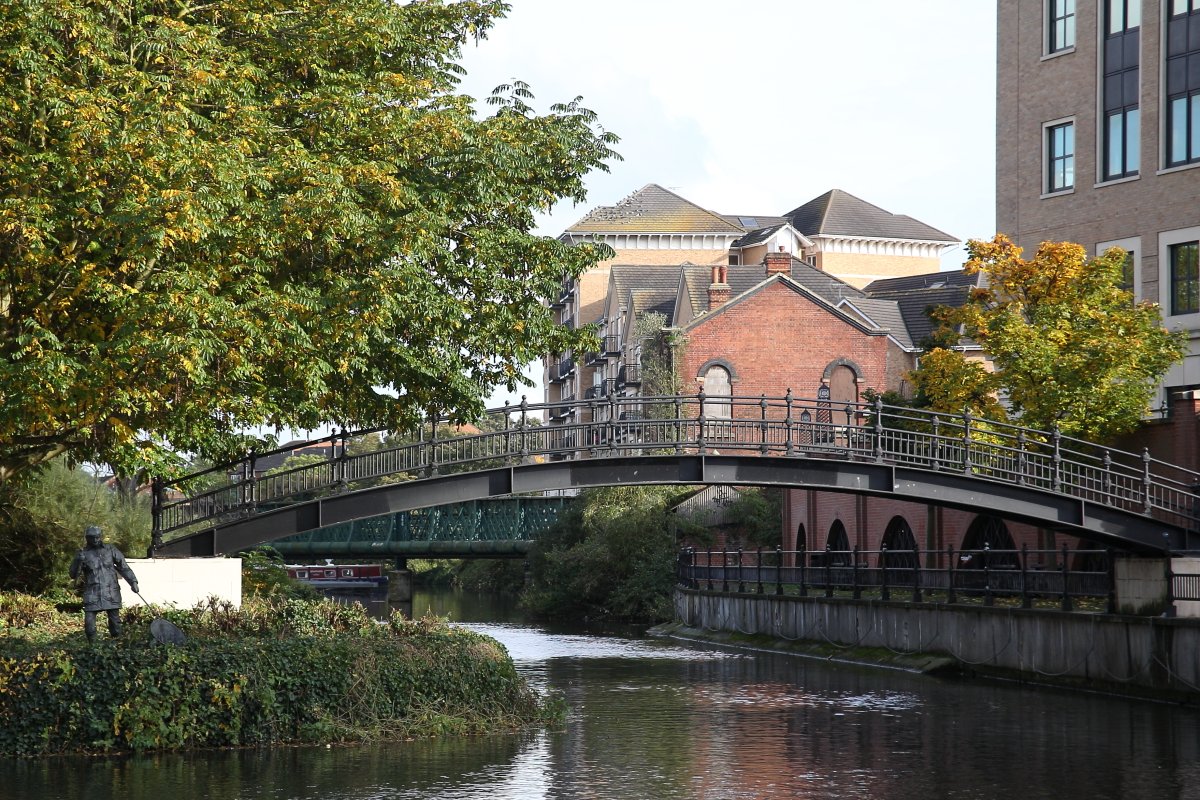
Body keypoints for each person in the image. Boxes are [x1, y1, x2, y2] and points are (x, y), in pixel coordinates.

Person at [69, 526, 139, 642]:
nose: (95, 540)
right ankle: (93, 649)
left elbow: (123, 567)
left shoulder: (110, 549)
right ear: (87, 538)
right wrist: (78, 561)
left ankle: (116, 647)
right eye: (92, 538)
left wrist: (133, 582)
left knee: (115, 626)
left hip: (111, 591)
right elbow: (73, 574)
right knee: (89, 627)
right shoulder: (82, 554)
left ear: (100, 536)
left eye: (97, 537)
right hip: (93, 593)